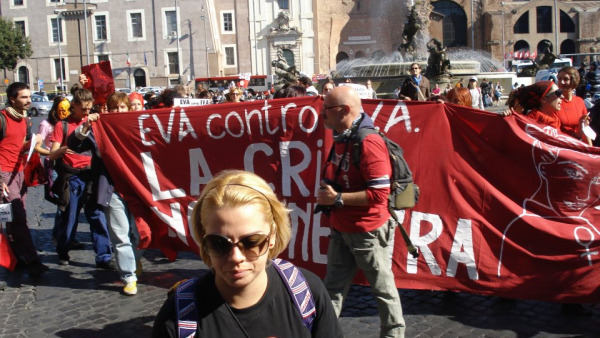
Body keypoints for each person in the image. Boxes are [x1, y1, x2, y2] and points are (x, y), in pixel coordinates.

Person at [152, 170, 342, 337]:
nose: (236, 257)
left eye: (251, 242)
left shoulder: (307, 291)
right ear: (203, 239)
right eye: (219, 243)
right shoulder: (176, 318)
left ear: (272, 237)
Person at [318, 85, 406, 337]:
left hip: (367, 230)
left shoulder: (368, 142)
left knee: (383, 289)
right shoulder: (343, 137)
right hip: (342, 227)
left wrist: (337, 199)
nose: (322, 113)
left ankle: (393, 334)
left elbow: (380, 194)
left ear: (345, 110)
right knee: (332, 289)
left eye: (327, 108)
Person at [69, 91, 141, 295]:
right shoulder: (99, 128)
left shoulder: (138, 126)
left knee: (139, 234)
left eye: (122, 107)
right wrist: (86, 125)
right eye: (114, 107)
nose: (118, 111)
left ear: (128, 108)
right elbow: (74, 144)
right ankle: (129, 276)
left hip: (137, 189)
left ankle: (135, 261)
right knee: (120, 235)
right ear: (108, 110)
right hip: (112, 189)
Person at [48, 88, 114, 268]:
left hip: (92, 175)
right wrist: (61, 150)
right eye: (83, 109)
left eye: (89, 109)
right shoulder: (62, 125)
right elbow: (52, 154)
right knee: (69, 217)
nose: (86, 113)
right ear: (74, 106)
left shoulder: (94, 121)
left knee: (97, 216)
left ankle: (104, 256)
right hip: (72, 177)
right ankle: (63, 251)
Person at [0, 82, 49, 277]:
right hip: (4, 174)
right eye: (24, 97)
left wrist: (34, 142)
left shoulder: (25, 119)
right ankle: (32, 260)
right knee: (19, 217)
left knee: (12, 218)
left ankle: (15, 257)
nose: (29, 100)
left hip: (19, 173)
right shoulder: (2, 119)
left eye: (29, 97)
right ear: (13, 99)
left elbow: (19, 146)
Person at [554, 66, 592, 145]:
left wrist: (591, 151)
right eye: (560, 79)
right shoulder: (554, 102)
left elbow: (585, 129)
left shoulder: (580, 102)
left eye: (566, 79)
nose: (562, 82)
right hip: (563, 146)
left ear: (573, 81)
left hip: (579, 144)